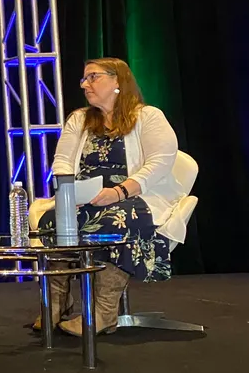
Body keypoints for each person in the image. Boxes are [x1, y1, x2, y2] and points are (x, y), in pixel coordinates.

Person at [34, 57, 179, 336]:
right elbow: (62, 160)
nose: (85, 84)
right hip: (85, 198)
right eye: (84, 79)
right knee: (52, 221)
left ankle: (101, 313)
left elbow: (161, 160)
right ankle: (56, 303)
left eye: (93, 77)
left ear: (117, 81)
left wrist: (119, 191)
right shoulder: (80, 119)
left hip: (133, 196)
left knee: (112, 221)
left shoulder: (148, 116)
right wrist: (69, 193)